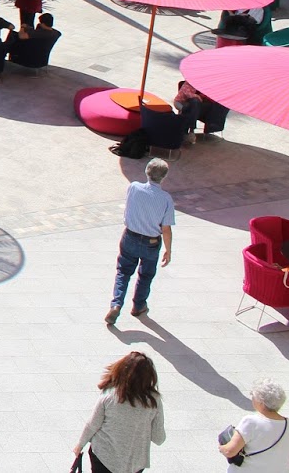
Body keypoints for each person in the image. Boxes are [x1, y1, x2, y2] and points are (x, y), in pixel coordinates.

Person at [106, 158, 174, 324]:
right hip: (151, 242)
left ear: (146, 172)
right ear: (164, 177)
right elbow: (166, 228)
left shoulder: (134, 187)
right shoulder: (166, 199)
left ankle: (116, 304)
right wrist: (168, 250)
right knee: (146, 275)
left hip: (130, 236)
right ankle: (138, 305)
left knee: (123, 272)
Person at [74, 352, 166, 473]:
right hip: (135, 462)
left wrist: (80, 445)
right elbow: (158, 438)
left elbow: (93, 424)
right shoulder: (153, 400)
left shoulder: (110, 394)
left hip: (103, 457)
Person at [218, 379, 289, 471]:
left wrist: (221, 447)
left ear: (261, 402)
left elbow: (230, 451)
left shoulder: (251, 422)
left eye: (252, 395)